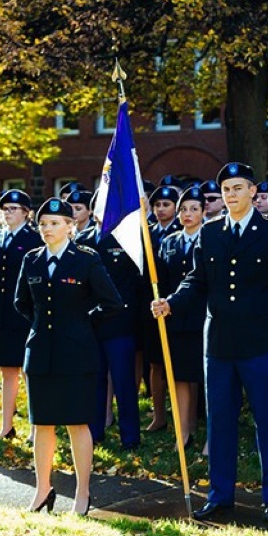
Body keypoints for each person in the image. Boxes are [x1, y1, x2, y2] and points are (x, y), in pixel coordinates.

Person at [151, 162, 268, 523]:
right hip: (219, 342)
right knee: (220, 422)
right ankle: (220, 495)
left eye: (238, 188)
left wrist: (265, 315)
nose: (231, 195)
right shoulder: (210, 233)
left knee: (267, 419)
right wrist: (171, 302)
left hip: (261, 341)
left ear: (253, 192)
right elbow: (197, 281)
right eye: (226, 190)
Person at [14, 197, 122, 515]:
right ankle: (42, 489)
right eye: (43, 223)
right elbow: (22, 303)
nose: (47, 229)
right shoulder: (32, 260)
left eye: (55, 223)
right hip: (41, 353)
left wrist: (82, 326)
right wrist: (40, 328)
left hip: (77, 354)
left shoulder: (85, 259)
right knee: (43, 424)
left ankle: (82, 493)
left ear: (70, 227)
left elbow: (111, 303)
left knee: (77, 424)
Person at [77, 197, 143, 451]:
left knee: (124, 382)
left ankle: (130, 436)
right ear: (93, 210)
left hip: (120, 323)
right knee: (94, 380)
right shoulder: (83, 243)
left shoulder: (128, 240)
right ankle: (94, 433)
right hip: (91, 324)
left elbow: (137, 284)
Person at [0, 190, 43, 440]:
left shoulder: (33, 239)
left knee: (30, 371)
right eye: (5, 208)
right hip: (0, 312)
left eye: (14, 209)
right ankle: (6, 426)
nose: (8, 213)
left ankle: (35, 429)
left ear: (26, 213)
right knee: (7, 370)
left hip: (25, 313)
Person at [157, 186, 208, 450]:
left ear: (203, 211)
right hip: (175, 318)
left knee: (204, 377)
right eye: (183, 209)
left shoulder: (210, 237)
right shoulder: (169, 241)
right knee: (179, 377)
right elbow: (163, 280)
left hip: (203, 317)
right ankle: (184, 431)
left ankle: (210, 434)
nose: (187, 214)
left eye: (193, 209)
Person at [145, 184, 183, 432]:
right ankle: (159, 415)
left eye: (166, 204)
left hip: (179, 307)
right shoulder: (147, 234)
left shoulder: (181, 232)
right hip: (154, 308)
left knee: (182, 367)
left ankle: (186, 417)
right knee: (155, 364)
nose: (160, 209)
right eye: (157, 205)